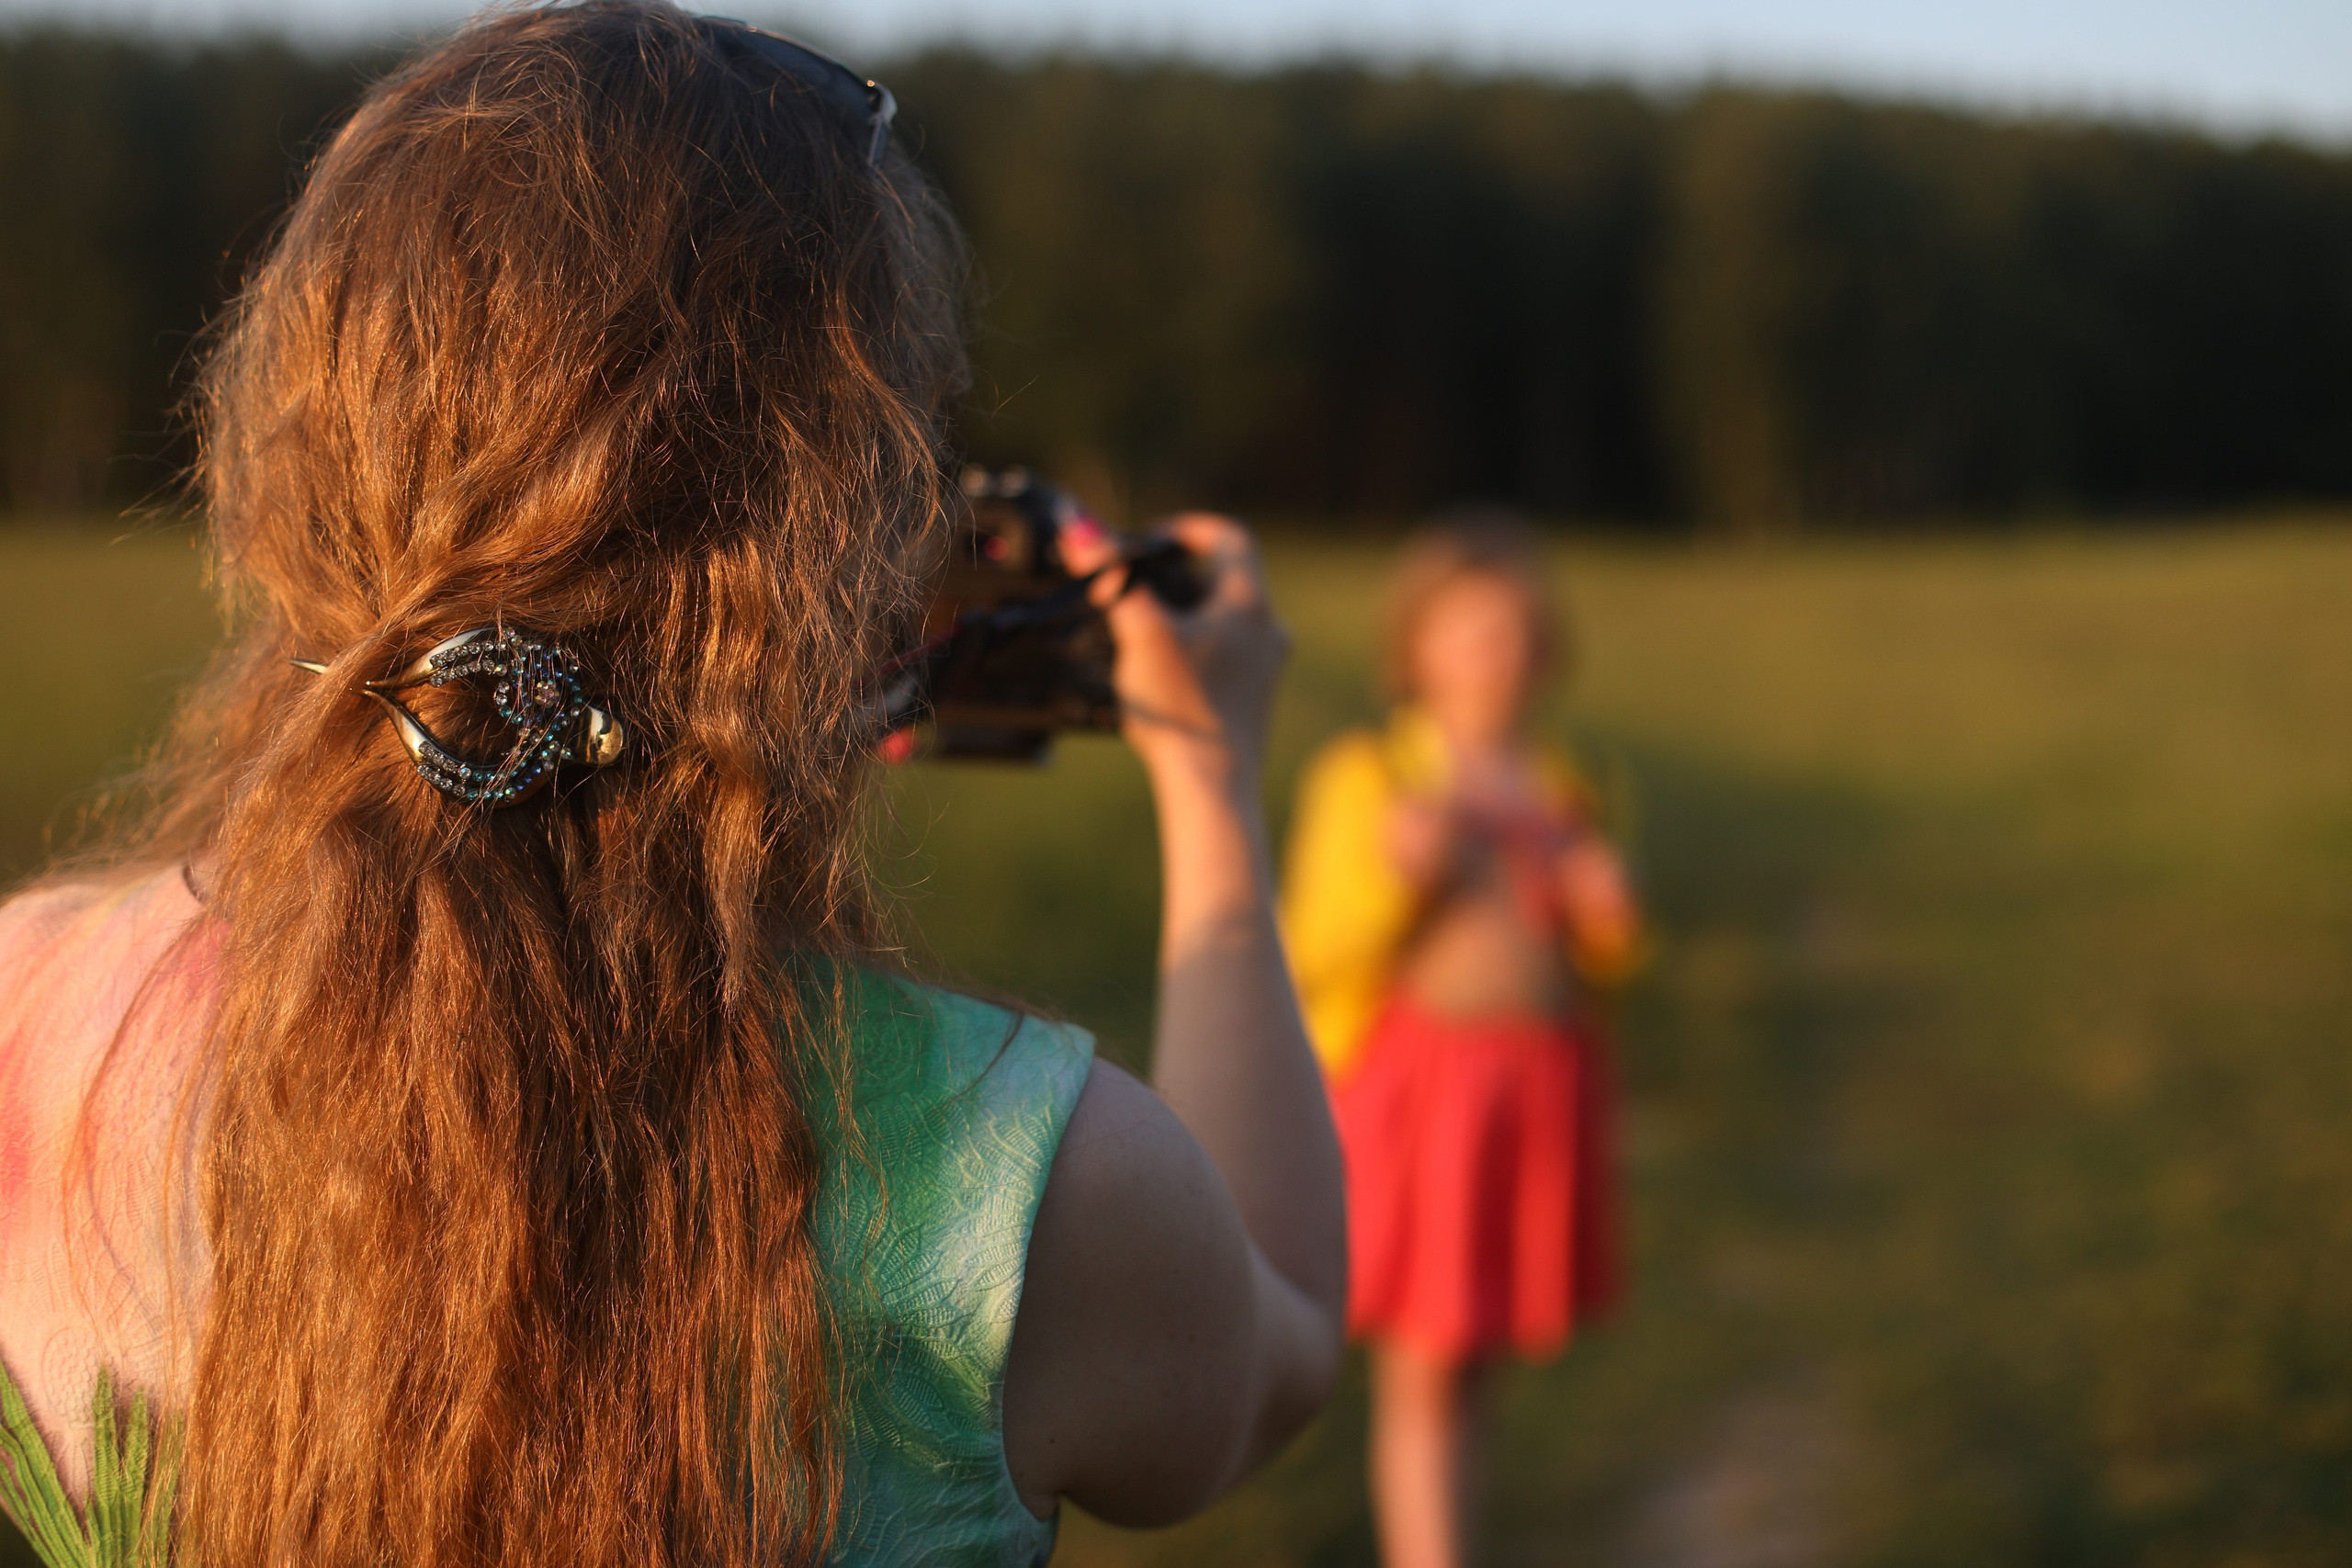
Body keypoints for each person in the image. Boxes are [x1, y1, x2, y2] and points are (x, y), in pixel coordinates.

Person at [0, 6, 1345, 1566]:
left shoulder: (29, 1029)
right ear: (840, 553)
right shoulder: (1033, 1191)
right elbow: (1284, 1342)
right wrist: (1212, 783)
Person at [1279, 518, 1643, 1568]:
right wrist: (1402, 874)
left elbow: (1603, 959)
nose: (1499, 657)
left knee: (1479, 1353)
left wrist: (1610, 917)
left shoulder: (1568, 786)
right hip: (1423, 1097)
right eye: (1471, 633)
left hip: (1535, 1092)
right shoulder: (1371, 779)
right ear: (1416, 648)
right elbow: (1313, 943)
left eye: (1520, 633)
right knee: (1427, 1359)